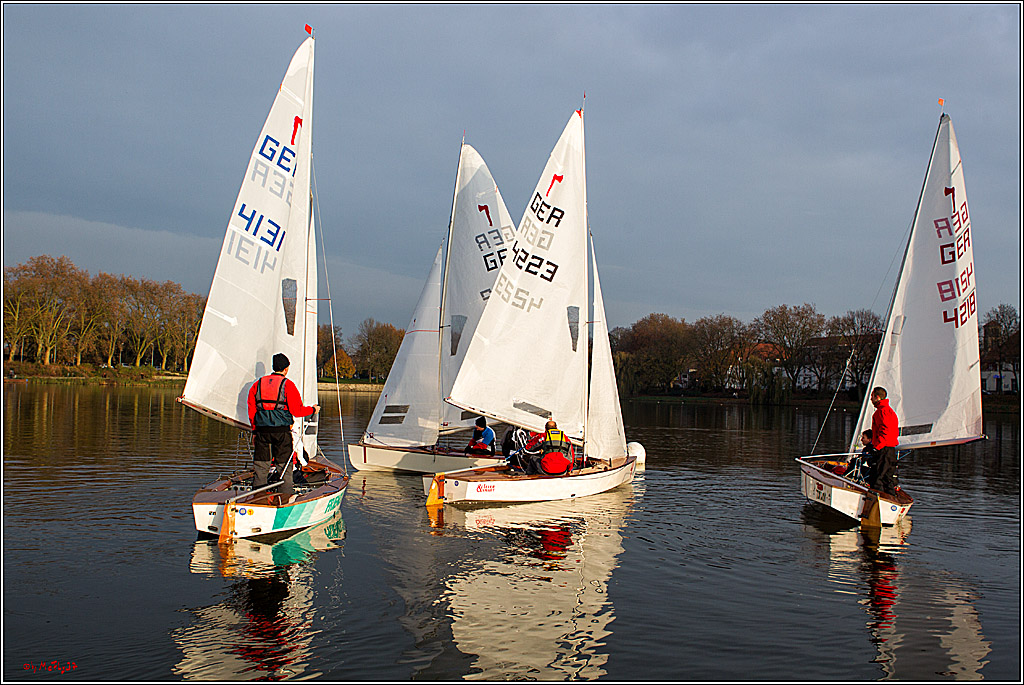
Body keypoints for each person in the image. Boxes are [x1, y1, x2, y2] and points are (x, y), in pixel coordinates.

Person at [247, 353, 319, 497]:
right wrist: (312, 409)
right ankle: (285, 500)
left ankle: (257, 500)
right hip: (281, 433)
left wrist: (254, 432)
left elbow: (252, 411)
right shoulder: (288, 385)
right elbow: (297, 411)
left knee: (261, 467)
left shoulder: (257, 385)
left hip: (262, 433)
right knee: (284, 468)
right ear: (286, 369)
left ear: (274, 367)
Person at [866, 386, 900, 495]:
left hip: (884, 449)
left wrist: (877, 447)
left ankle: (877, 503)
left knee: (877, 477)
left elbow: (885, 430)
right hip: (890, 449)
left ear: (877, 397)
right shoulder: (889, 411)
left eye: (872, 397)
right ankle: (890, 498)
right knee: (887, 478)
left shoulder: (882, 411)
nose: (871, 399)